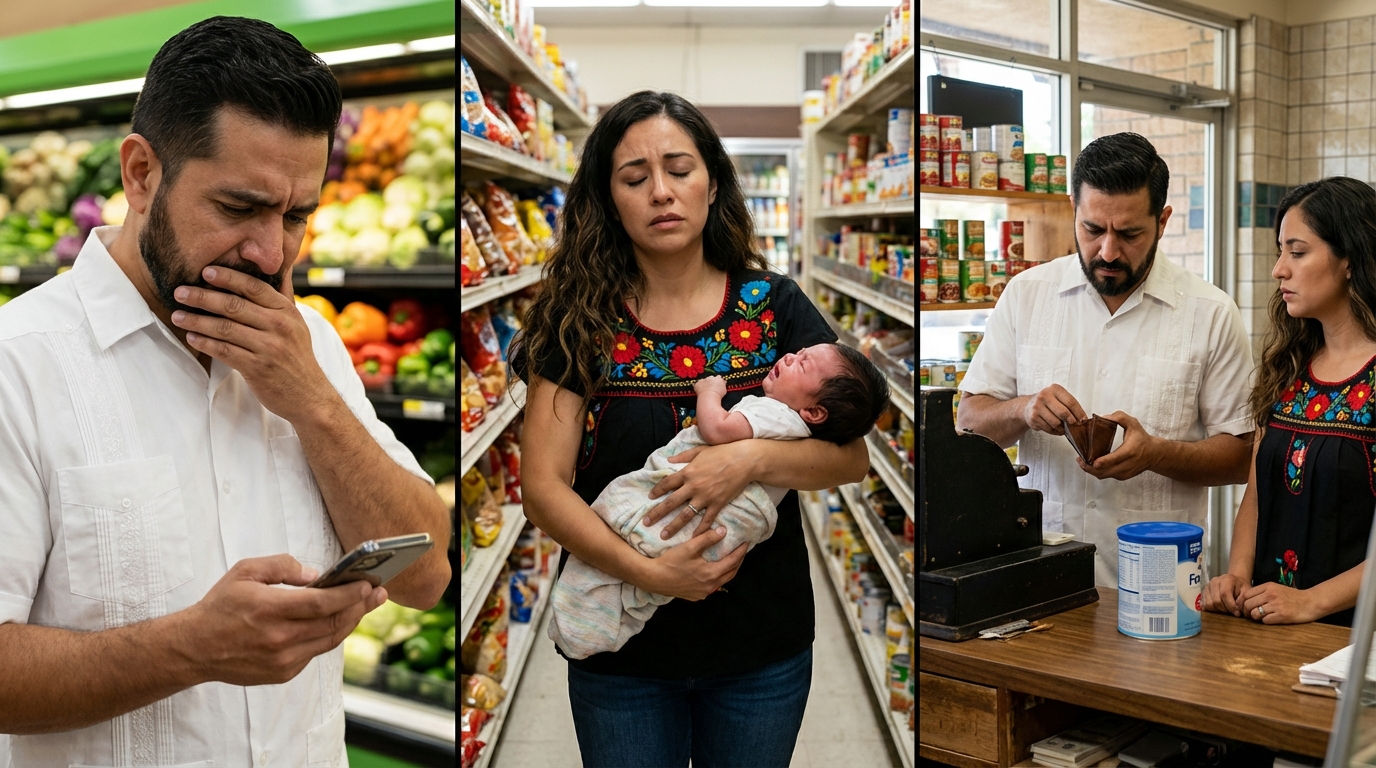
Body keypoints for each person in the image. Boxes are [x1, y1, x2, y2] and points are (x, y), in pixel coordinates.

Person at [0, 17, 450, 765]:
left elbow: (426, 576)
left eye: (297, 216)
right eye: (238, 208)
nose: (271, 253)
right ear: (141, 174)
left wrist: (313, 400)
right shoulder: (19, 365)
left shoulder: (312, 345)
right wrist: (191, 648)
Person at [510, 90, 871, 767]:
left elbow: (850, 459)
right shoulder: (577, 320)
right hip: (622, 656)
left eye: (679, 169)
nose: (661, 192)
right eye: (634, 177)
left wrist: (746, 462)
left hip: (759, 650)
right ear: (608, 198)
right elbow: (543, 488)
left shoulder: (774, 306)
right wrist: (653, 572)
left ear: (712, 182)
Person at [956, 132, 1255, 587]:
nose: (1108, 252)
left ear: (1162, 221)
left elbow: (1240, 456)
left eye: (1130, 234)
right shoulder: (1026, 295)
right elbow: (969, 424)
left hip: (1160, 582)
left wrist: (1156, 454)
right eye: (1093, 230)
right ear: (1073, 209)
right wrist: (1022, 409)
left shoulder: (1210, 313)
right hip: (1038, 571)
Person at [549, 344, 889, 660]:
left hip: (701, 523)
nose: (789, 356)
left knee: (628, 520)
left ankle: (586, 618)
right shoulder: (801, 431)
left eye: (802, 363)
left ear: (814, 411)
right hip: (731, 569)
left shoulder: (774, 414)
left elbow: (716, 429)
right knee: (644, 582)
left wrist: (710, 393)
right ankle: (608, 615)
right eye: (798, 352)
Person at [1202, 177, 1376, 627]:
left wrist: (1311, 602)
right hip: (1269, 625)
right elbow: (1257, 493)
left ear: (1351, 259)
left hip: (1354, 642)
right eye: (1280, 252)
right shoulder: (1288, 366)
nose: (1279, 269)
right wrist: (1237, 575)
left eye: (1297, 252)